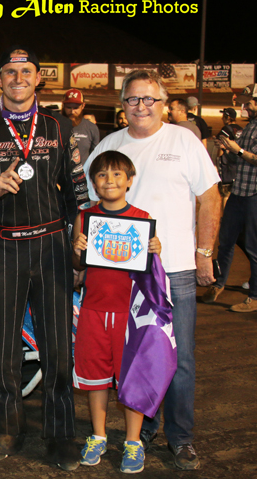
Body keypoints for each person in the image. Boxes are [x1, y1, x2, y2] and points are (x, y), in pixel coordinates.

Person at [84, 69, 221, 471]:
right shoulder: (109, 145)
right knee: (135, 355)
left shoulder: (184, 140)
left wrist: (204, 253)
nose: (141, 106)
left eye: (149, 99)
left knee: (178, 357)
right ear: (122, 105)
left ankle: (181, 437)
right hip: (120, 274)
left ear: (162, 103)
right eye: (133, 99)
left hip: (173, 269)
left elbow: (211, 198)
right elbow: (90, 206)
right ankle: (141, 432)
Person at [0, 46, 88, 471]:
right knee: (2, 346)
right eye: (10, 72)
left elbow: (77, 195)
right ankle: (6, 427)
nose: (18, 78)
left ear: (38, 78)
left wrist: (79, 252)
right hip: (2, 246)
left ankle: (61, 433)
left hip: (51, 246)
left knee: (58, 346)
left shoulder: (60, 126)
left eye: (26, 71)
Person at [72, 151, 162, 474]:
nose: (109, 181)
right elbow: (77, 265)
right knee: (95, 377)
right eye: (101, 175)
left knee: (131, 378)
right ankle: (98, 435)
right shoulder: (86, 217)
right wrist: (77, 250)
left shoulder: (141, 218)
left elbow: (151, 272)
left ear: (129, 181)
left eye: (116, 175)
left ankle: (133, 441)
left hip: (129, 314)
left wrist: (155, 250)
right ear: (93, 183)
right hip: (94, 310)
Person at [202, 85, 257, 312]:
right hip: (239, 191)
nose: (245, 106)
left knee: (253, 247)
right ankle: (219, 283)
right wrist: (227, 150)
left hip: (254, 194)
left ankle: (254, 296)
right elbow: (240, 160)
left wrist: (238, 151)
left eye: (248, 102)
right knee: (225, 240)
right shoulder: (250, 126)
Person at [61, 88, 100, 165]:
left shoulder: (91, 128)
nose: (72, 112)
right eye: (68, 107)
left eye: (76, 108)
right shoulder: (55, 126)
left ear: (83, 106)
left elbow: (95, 156)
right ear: (63, 106)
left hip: (83, 171)